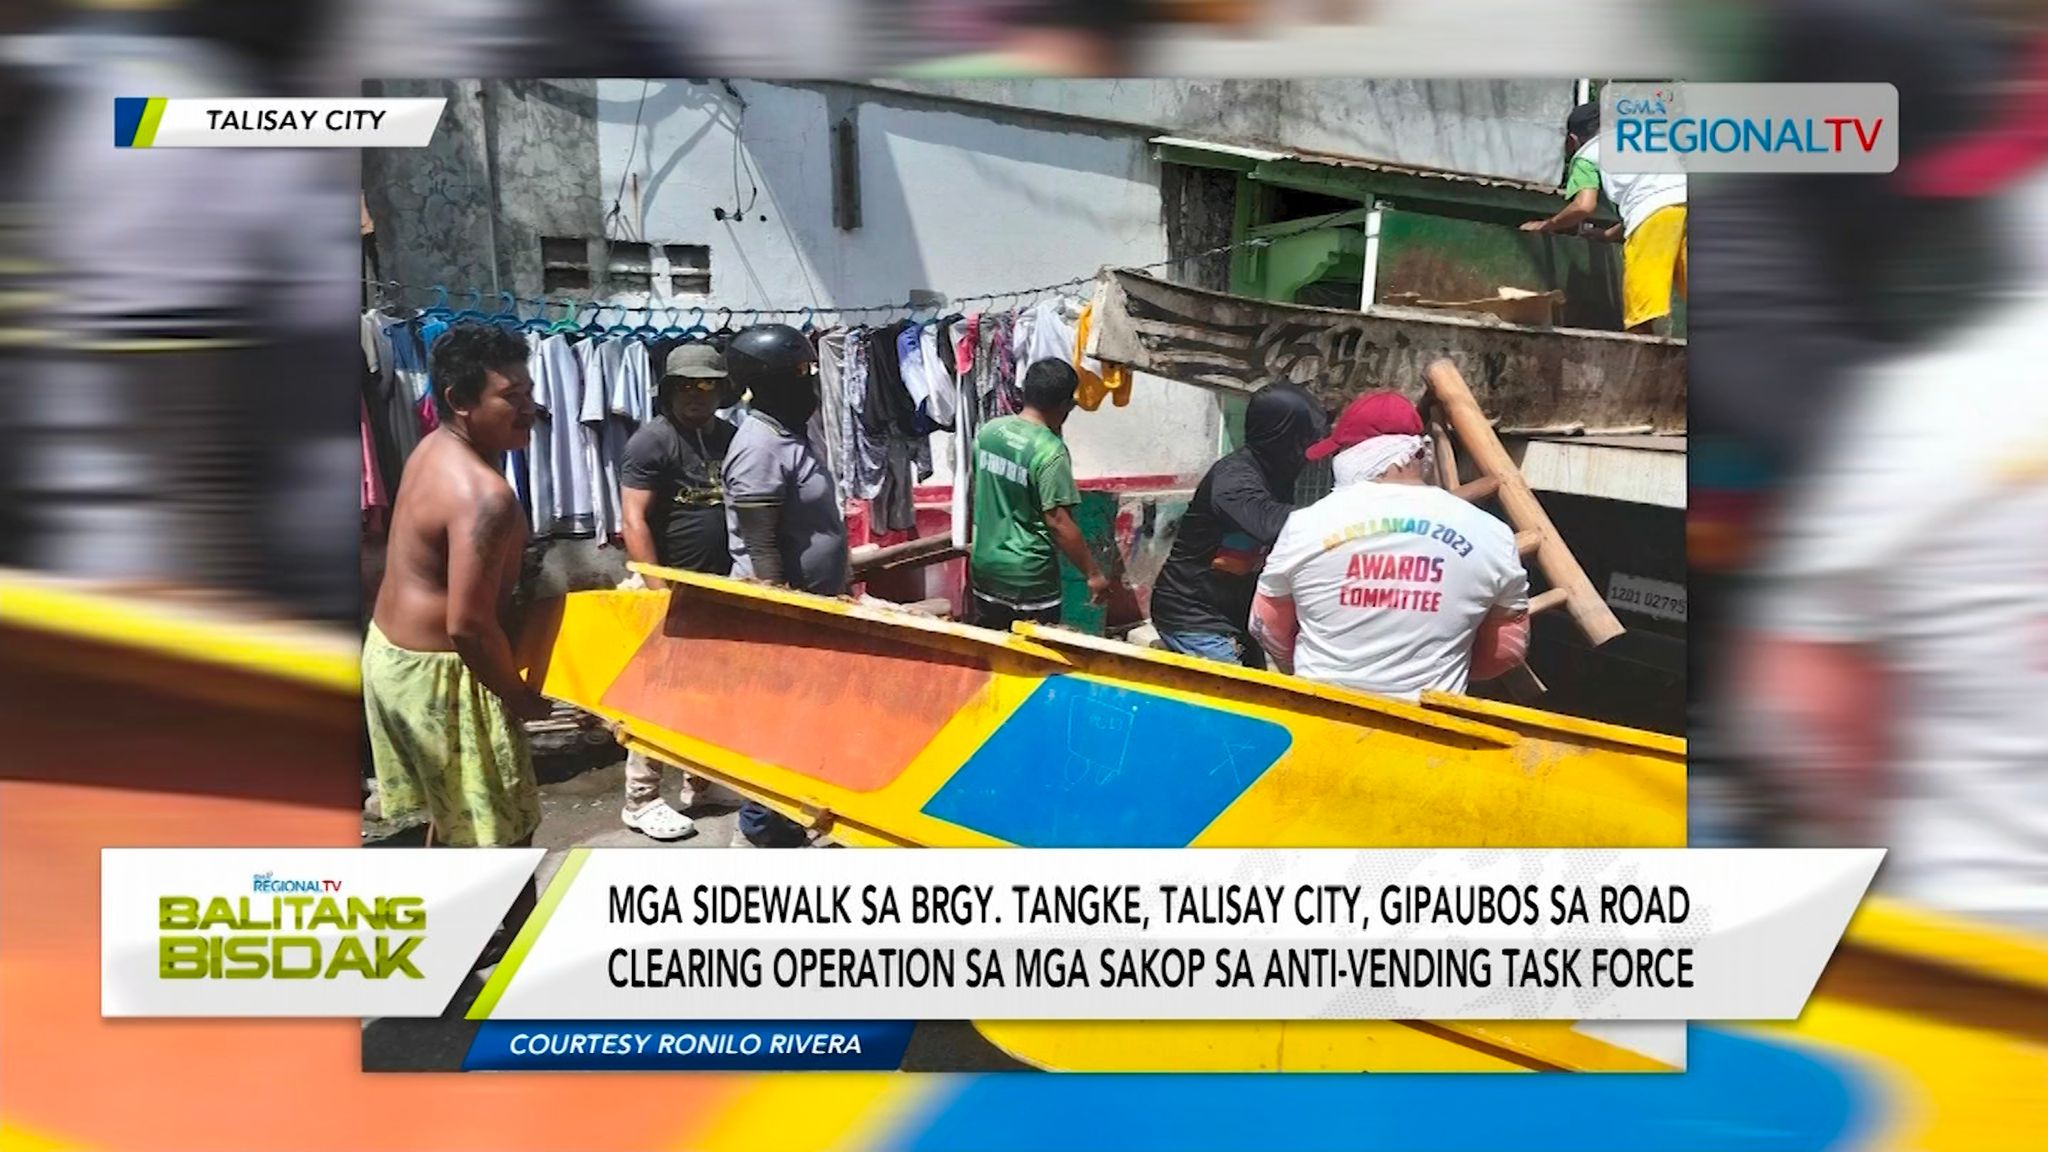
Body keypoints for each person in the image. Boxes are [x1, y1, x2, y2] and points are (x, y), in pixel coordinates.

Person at [362, 324, 542, 959]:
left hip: (391, 654)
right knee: (504, 825)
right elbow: (469, 624)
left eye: (527, 390)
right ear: (461, 400)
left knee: (455, 810)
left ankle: (437, 941)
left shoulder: (434, 445)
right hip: (442, 671)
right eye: (509, 396)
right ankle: (521, 954)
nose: (529, 408)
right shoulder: (484, 494)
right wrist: (520, 700)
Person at [1251, 391, 1530, 700]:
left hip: (1322, 713)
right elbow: (1507, 649)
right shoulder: (1493, 534)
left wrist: (1298, 667)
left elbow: (1266, 626)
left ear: (1353, 454)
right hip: (1429, 726)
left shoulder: (1305, 525)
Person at [721, 324, 848, 847]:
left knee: (806, 726)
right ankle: (764, 832)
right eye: (798, 376)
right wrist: (784, 621)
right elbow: (762, 546)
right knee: (779, 725)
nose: (809, 385)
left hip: (815, 607)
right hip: (783, 618)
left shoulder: (789, 435)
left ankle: (789, 816)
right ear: (765, 384)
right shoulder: (757, 447)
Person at [613, 344, 737, 841]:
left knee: (714, 692)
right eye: (685, 385)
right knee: (659, 695)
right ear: (667, 389)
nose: (696, 395)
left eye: (706, 385)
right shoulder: (652, 442)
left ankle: (699, 783)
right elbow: (633, 518)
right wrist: (656, 587)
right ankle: (640, 799)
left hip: (720, 587)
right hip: (670, 585)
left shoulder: (730, 437)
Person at [1149, 384, 1326, 667]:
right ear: (1280, 438)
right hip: (1192, 614)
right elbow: (1269, 522)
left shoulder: (1276, 473)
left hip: (1234, 613)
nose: (1306, 452)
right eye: (1301, 441)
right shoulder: (1234, 479)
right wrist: (1345, 513)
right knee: (1234, 700)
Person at [967, 360, 1110, 630]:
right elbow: (1059, 522)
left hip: (985, 568)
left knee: (993, 657)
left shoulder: (989, 432)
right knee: (1033, 662)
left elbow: (981, 490)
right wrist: (1093, 574)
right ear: (1066, 405)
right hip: (1028, 578)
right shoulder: (1049, 452)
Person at [1522, 101, 1688, 334]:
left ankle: (1644, 362)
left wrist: (1547, 225)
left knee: (1640, 311)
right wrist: (1607, 235)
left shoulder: (1587, 154)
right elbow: (1660, 197)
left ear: (1572, 139)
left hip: (1655, 216)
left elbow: (1584, 205)